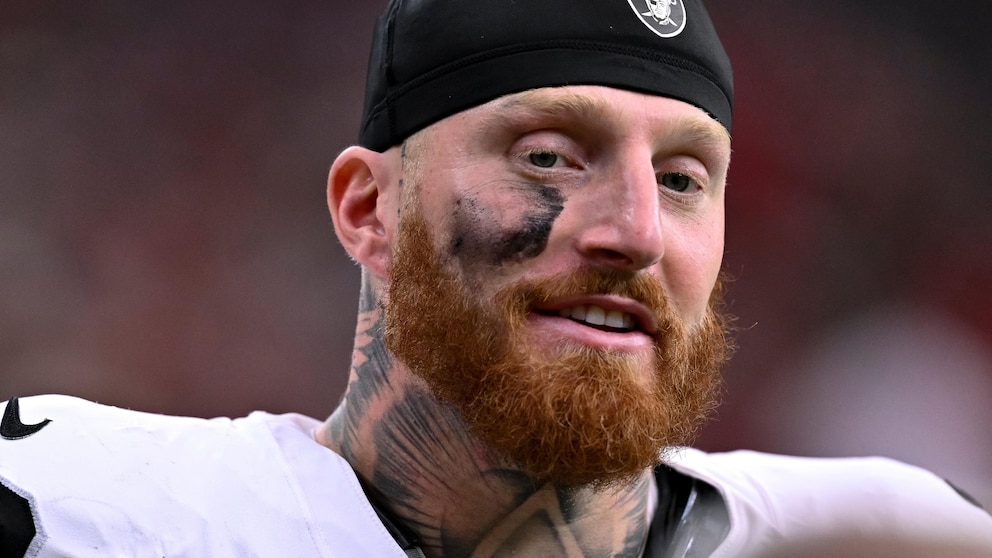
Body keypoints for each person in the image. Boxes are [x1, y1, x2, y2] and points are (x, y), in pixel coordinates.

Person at [1, 0, 990, 556]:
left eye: (683, 179)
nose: (636, 231)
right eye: (549, 157)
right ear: (368, 210)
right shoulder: (76, 508)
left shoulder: (887, 534)